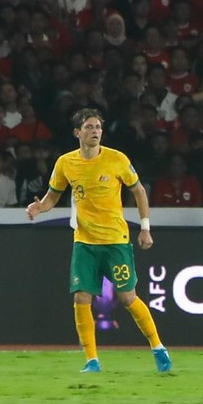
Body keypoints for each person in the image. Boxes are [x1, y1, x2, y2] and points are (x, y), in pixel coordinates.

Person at [25, 108, 172, 374]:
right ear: (77, 132)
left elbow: (138, 191)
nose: (95, 131)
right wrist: (38, 209)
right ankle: (92, 360)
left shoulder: (117, 159)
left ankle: (158, 347)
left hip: (115, 241)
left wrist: (146, 227)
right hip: (84, 243)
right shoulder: (66, 163)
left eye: (98, 127)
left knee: (127, 298)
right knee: (82, 298)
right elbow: (52, 197)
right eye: (90, 127)